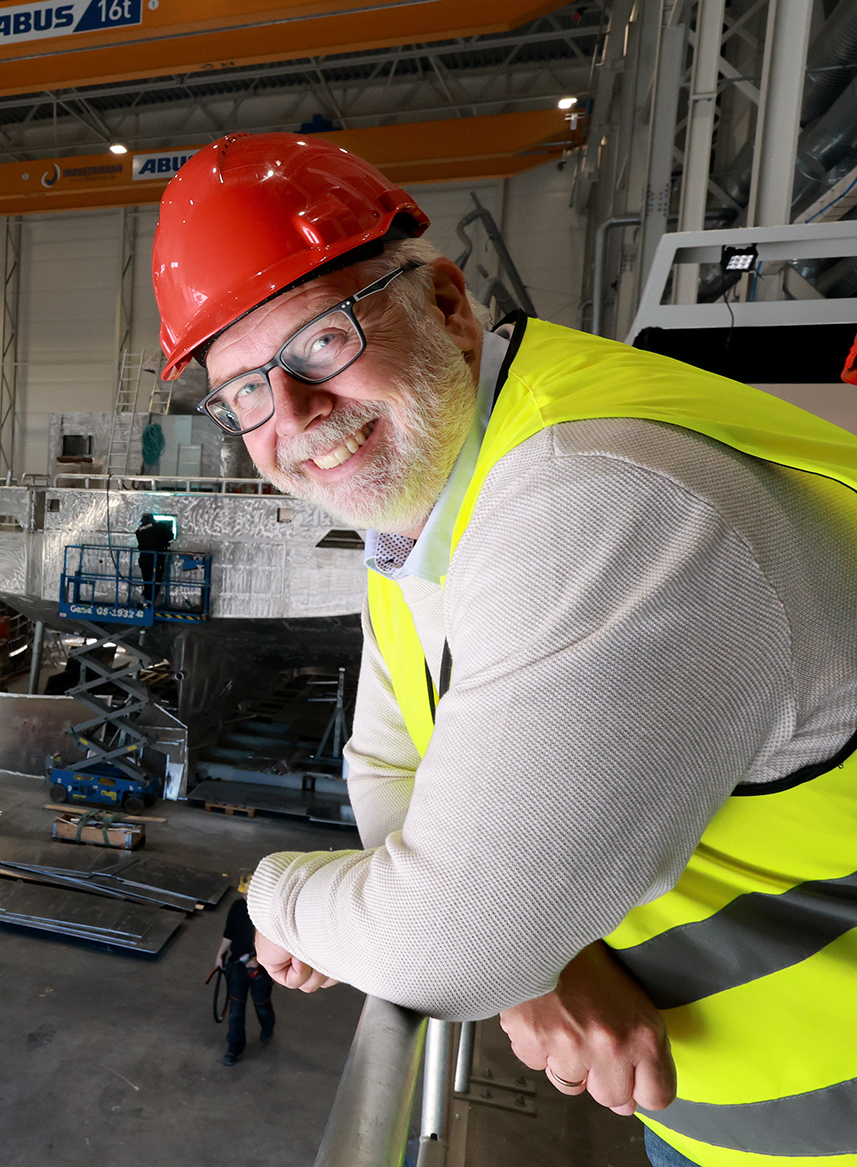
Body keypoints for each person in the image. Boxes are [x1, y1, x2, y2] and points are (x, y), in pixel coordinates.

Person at [150, 132, 857, 1167]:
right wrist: (537, 961)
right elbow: (390, 761)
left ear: (445, 303)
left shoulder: (596, 499)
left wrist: (272, 893)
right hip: (715, 1110)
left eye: (321, 342)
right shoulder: (427, 512)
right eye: (244, 391)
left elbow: (447, 942)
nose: (292, 414)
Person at [215, 876, 276, 1065]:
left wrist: (259, 960)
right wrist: (220, 955)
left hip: (261, 970)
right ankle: (234, 1047)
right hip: (238, 967)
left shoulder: (268, 912)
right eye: (244, 892)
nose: (245, 896)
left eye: (250, 893)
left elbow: (277, 943)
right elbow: (229, 933)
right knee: (236, 1009)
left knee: (262, 1006)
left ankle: (267, 1028)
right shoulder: (237, 907)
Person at [133, 512, 172, 604]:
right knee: (156, 579)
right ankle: (151, 600)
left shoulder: (139, 531)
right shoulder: (161, 526)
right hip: (157, 558)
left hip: (144, 559)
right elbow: (170, 538)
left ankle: (146, 599)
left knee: (147, 579)